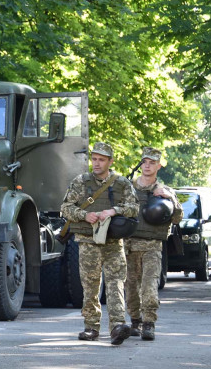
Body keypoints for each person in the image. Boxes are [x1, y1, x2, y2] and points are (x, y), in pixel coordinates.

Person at [61, 141, 139, 345]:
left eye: (101, 160)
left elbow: (134, 208)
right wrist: (85, 215)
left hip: (113, 240)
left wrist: (114, 211)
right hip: (88, 241)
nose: (96, 163)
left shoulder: (121, 183)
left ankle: (117, 326)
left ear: (110, 161)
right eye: (94, 159)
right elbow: (66, 208)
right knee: (90, 284)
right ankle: (91, 326)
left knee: (115, 283)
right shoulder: (81, 182)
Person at [123, 147, 183, 341]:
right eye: (144, 162)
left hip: (152, 246)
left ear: (158, 166)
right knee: (130, 287)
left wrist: (169, 198)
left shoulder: (166, 191)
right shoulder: (127, 187)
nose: (147, 166)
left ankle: (149, 323)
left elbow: (177, 218)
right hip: (129, 244)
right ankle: (135, 321)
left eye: (152, 162)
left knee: (149, 287)